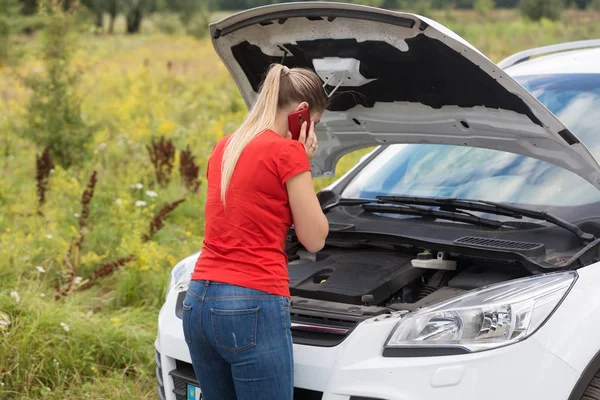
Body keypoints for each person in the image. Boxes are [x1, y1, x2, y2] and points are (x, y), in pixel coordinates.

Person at [181, 63, 330, 400]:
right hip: (250, 302)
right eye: (316, 124)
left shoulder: (225, 147)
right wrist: (303, 160)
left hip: (198, 301)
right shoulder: (288, 152)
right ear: (302, 114)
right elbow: (314, 237)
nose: (314, 131)